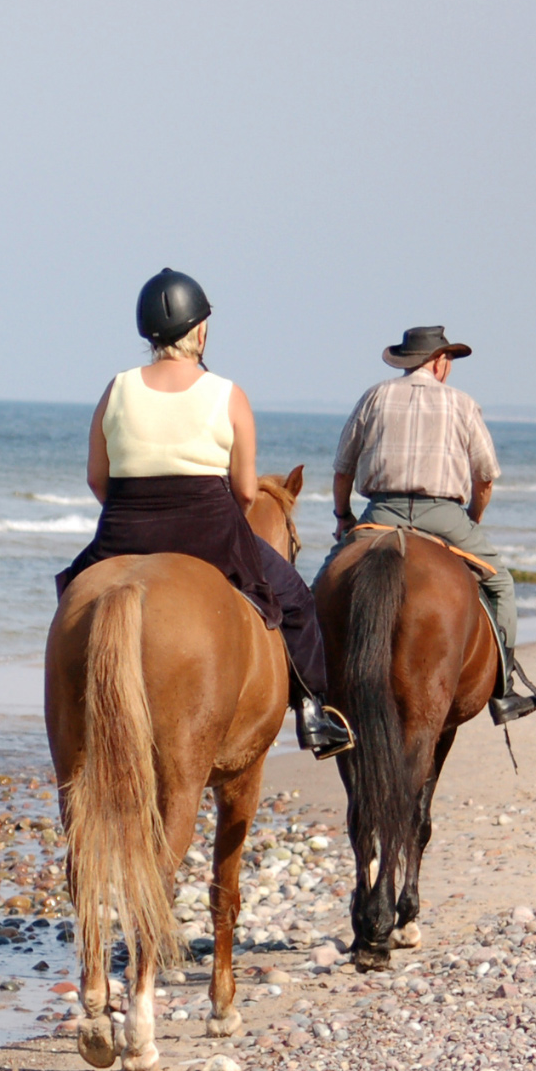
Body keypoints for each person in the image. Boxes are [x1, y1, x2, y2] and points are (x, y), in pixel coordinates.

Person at [56, 269, 353, 757]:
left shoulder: (117, 389)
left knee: (71, 598)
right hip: (210, 531)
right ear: (200, 330)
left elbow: (96, 478)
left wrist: (136, 511)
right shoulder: (228, 394)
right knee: (297, 600)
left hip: (123, 529)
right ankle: (314, 712)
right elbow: (243, 489)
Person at [328, 326, 536, 723]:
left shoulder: (375, 396)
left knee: (325, 584)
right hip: (443, 514)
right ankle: (505, 688)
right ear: (439, 361)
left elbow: (342, 469)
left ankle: (312, 693)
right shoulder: (461, 404)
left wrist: (343, 517)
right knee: (501, 584)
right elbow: (486, 477)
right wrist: (472, 521)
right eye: (449, 360)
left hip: (381, 512)